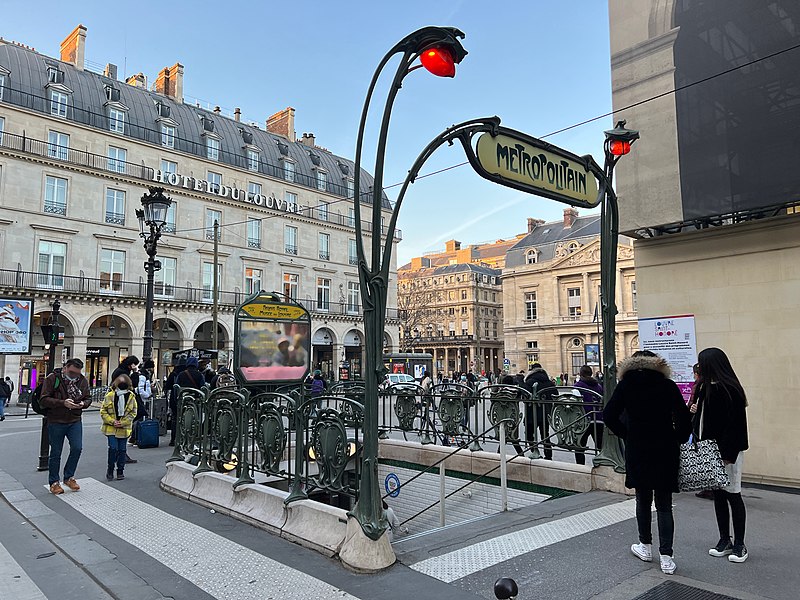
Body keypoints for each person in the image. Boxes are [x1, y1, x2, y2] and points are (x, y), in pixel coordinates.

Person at [603, 350, 692, 575]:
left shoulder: (625, 385)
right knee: (664, 504)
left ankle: (645, 546)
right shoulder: (667, 385)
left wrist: (627, 434)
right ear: (657, 364)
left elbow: (609, 415)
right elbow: (683, 419)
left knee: (643, 500)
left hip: (638, 448)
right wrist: (677, 438)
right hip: (665, 449)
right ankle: (667, 557)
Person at [691, 347, 750, 563]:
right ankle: (724, 539)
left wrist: (727, 454)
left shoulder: (730, 389)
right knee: (718, 495)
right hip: (708, 448)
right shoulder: (704, 388)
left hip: (727, 452)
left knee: (733, 495)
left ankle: (740, 545)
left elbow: (736, 427)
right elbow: (700, 420)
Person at [41, 358, 91, 495]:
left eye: (77, 373)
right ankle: (54, 482)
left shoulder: (82, 380)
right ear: (65, 368)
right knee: (56, 452)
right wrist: (63, 403)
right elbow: (44, 399)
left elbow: (88, 397)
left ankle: (69, 476)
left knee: (77, 448)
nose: (74, 375)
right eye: (71, 372)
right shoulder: (52, 379)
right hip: (56, 420)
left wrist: (83, 404)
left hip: (74, 419)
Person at [100, 374, 137, 481]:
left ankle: (120, 471)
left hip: (124, 428)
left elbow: (133, 412)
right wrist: (112, 421)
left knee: (122, 450)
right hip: (111, 427)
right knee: (113, 448)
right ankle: (110, 470)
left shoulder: (131, 396)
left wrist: (123, 422)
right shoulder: (110, 395)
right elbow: (103, 411)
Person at [522, 363, 556, 460]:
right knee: (545, 434)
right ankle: (548, 455)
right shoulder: (549, 382)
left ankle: (534, 451)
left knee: (529, 434)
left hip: (532, 412)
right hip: (546, 412)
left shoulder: (529, 381)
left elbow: (524, 395)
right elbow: (555, 395)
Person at [574, 365, 604, 465]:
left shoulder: (578, 386)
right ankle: (601, 465)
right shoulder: (598, 386)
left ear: (581, 374)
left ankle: (580, 467)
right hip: (598, 418)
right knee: (600, 446)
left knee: (579, 446)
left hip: (584, 420)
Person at [164, 357, 187, 446]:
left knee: (175, 419)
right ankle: (183, 438)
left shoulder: (173, 373)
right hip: (187, 400)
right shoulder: (186, 374)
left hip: (175, 399)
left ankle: (173, 439)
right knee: (185, 420)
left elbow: (168, 386)